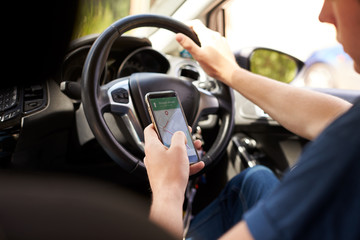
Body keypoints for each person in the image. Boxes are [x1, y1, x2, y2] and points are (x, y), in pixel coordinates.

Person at [143, 0, 360, 239]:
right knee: (255, 179)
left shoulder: (349, 148)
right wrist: (229, 72)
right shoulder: (351, 130)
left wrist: (168, 190)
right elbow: (336, 117)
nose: (324, 14)